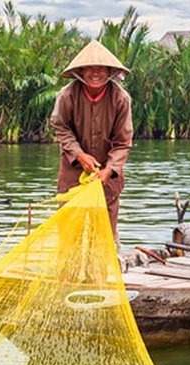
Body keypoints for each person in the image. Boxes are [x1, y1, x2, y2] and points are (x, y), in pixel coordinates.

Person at [50, 40, 133, 245]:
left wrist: (109, 170)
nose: (96, 73)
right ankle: (68, 276)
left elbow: (123, 142)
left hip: (108, 179)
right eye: (90, 68)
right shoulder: (67, 95)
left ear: (108, 72)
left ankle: (101, 277)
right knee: (70, 237)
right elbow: (61, 127)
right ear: (81, 71)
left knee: (104, 238)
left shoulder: (120, 99)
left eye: (101, 69)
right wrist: (79, 155)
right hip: (72, 175)